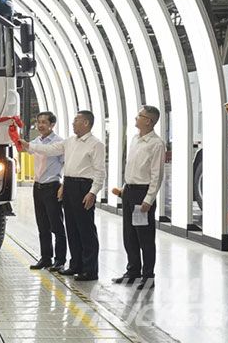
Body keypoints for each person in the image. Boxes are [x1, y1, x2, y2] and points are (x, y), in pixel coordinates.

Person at [20, 110, 105, 281]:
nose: (73, 123)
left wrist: (93, 192)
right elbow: (49, 149)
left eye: (76, 120)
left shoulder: (96, 144)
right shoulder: (69, 142)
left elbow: (100, 172)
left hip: (84, 187)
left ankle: (90, 270)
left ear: (86, 123)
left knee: (86, 230)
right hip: (70, 184)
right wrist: (29, 145)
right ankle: (75, 265)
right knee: (72, 228)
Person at [111, 105, 165, 290]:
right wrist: (125, 188)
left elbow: (157, 175)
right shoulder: (135, 139)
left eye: (139, 115)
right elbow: (132, 166)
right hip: (129, 192)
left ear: (148, 121)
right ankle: (133, 272)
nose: (136, 118)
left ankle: (148, 277)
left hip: (142, 194)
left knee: (145, 238)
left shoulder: (156, 144)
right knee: (130, 235)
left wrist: (148, 199)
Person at [27, 111, 67, 272]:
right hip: (37, 187)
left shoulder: (59, 143)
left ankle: (60, 260)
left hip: (52, 187)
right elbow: (24, 147)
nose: (40, 125)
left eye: (44, 122)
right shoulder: (36, 141)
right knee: (42, 226)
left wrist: (63, 185)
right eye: (39, 122)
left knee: (56, 226)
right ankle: (45, 258)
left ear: (52, 125)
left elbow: (66, 164)